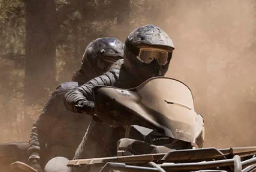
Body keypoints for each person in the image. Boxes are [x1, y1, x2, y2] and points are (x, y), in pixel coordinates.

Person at [65, 25, 175, 158]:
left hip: (142, 155)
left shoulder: (162, 87)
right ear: (131, 54)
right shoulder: (115, 76)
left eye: (160, 57)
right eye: (147, 56)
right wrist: (93, 108)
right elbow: (73, 94)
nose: (154, 64)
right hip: (96, 158)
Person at [27, 37, 124, 172]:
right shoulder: (65, 93)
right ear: (91, 63)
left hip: (101, 161)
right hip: (64, 157)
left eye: (116, 65)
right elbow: (40, 128)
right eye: (106, 64)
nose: (111, 70)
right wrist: (34, 160)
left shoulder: (122, 98)